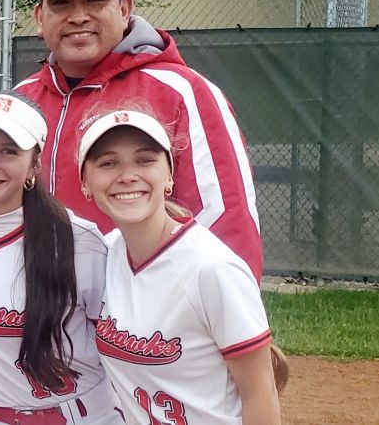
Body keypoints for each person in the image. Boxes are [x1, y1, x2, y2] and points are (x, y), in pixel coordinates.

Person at [17, 0, 262, 278]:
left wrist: (227, 309)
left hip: (145, 310)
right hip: (42, 305)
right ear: (39, 18)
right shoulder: (22, 101)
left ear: (124, 9)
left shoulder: (182, 90)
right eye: (61, 3)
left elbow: (226, 214)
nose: (78, 16)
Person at [0, 93, 119, 424]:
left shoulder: (78, 240)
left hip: (78, 415)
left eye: (8, 151)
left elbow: (120, 346)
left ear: (34, 163)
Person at [77, 109, 280, 424]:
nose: (127, 175)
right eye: (108, 163)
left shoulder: (210, 268)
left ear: (169, 176)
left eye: (145, 160)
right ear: (86, 183)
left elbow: (260, 392)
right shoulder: (109, 253)